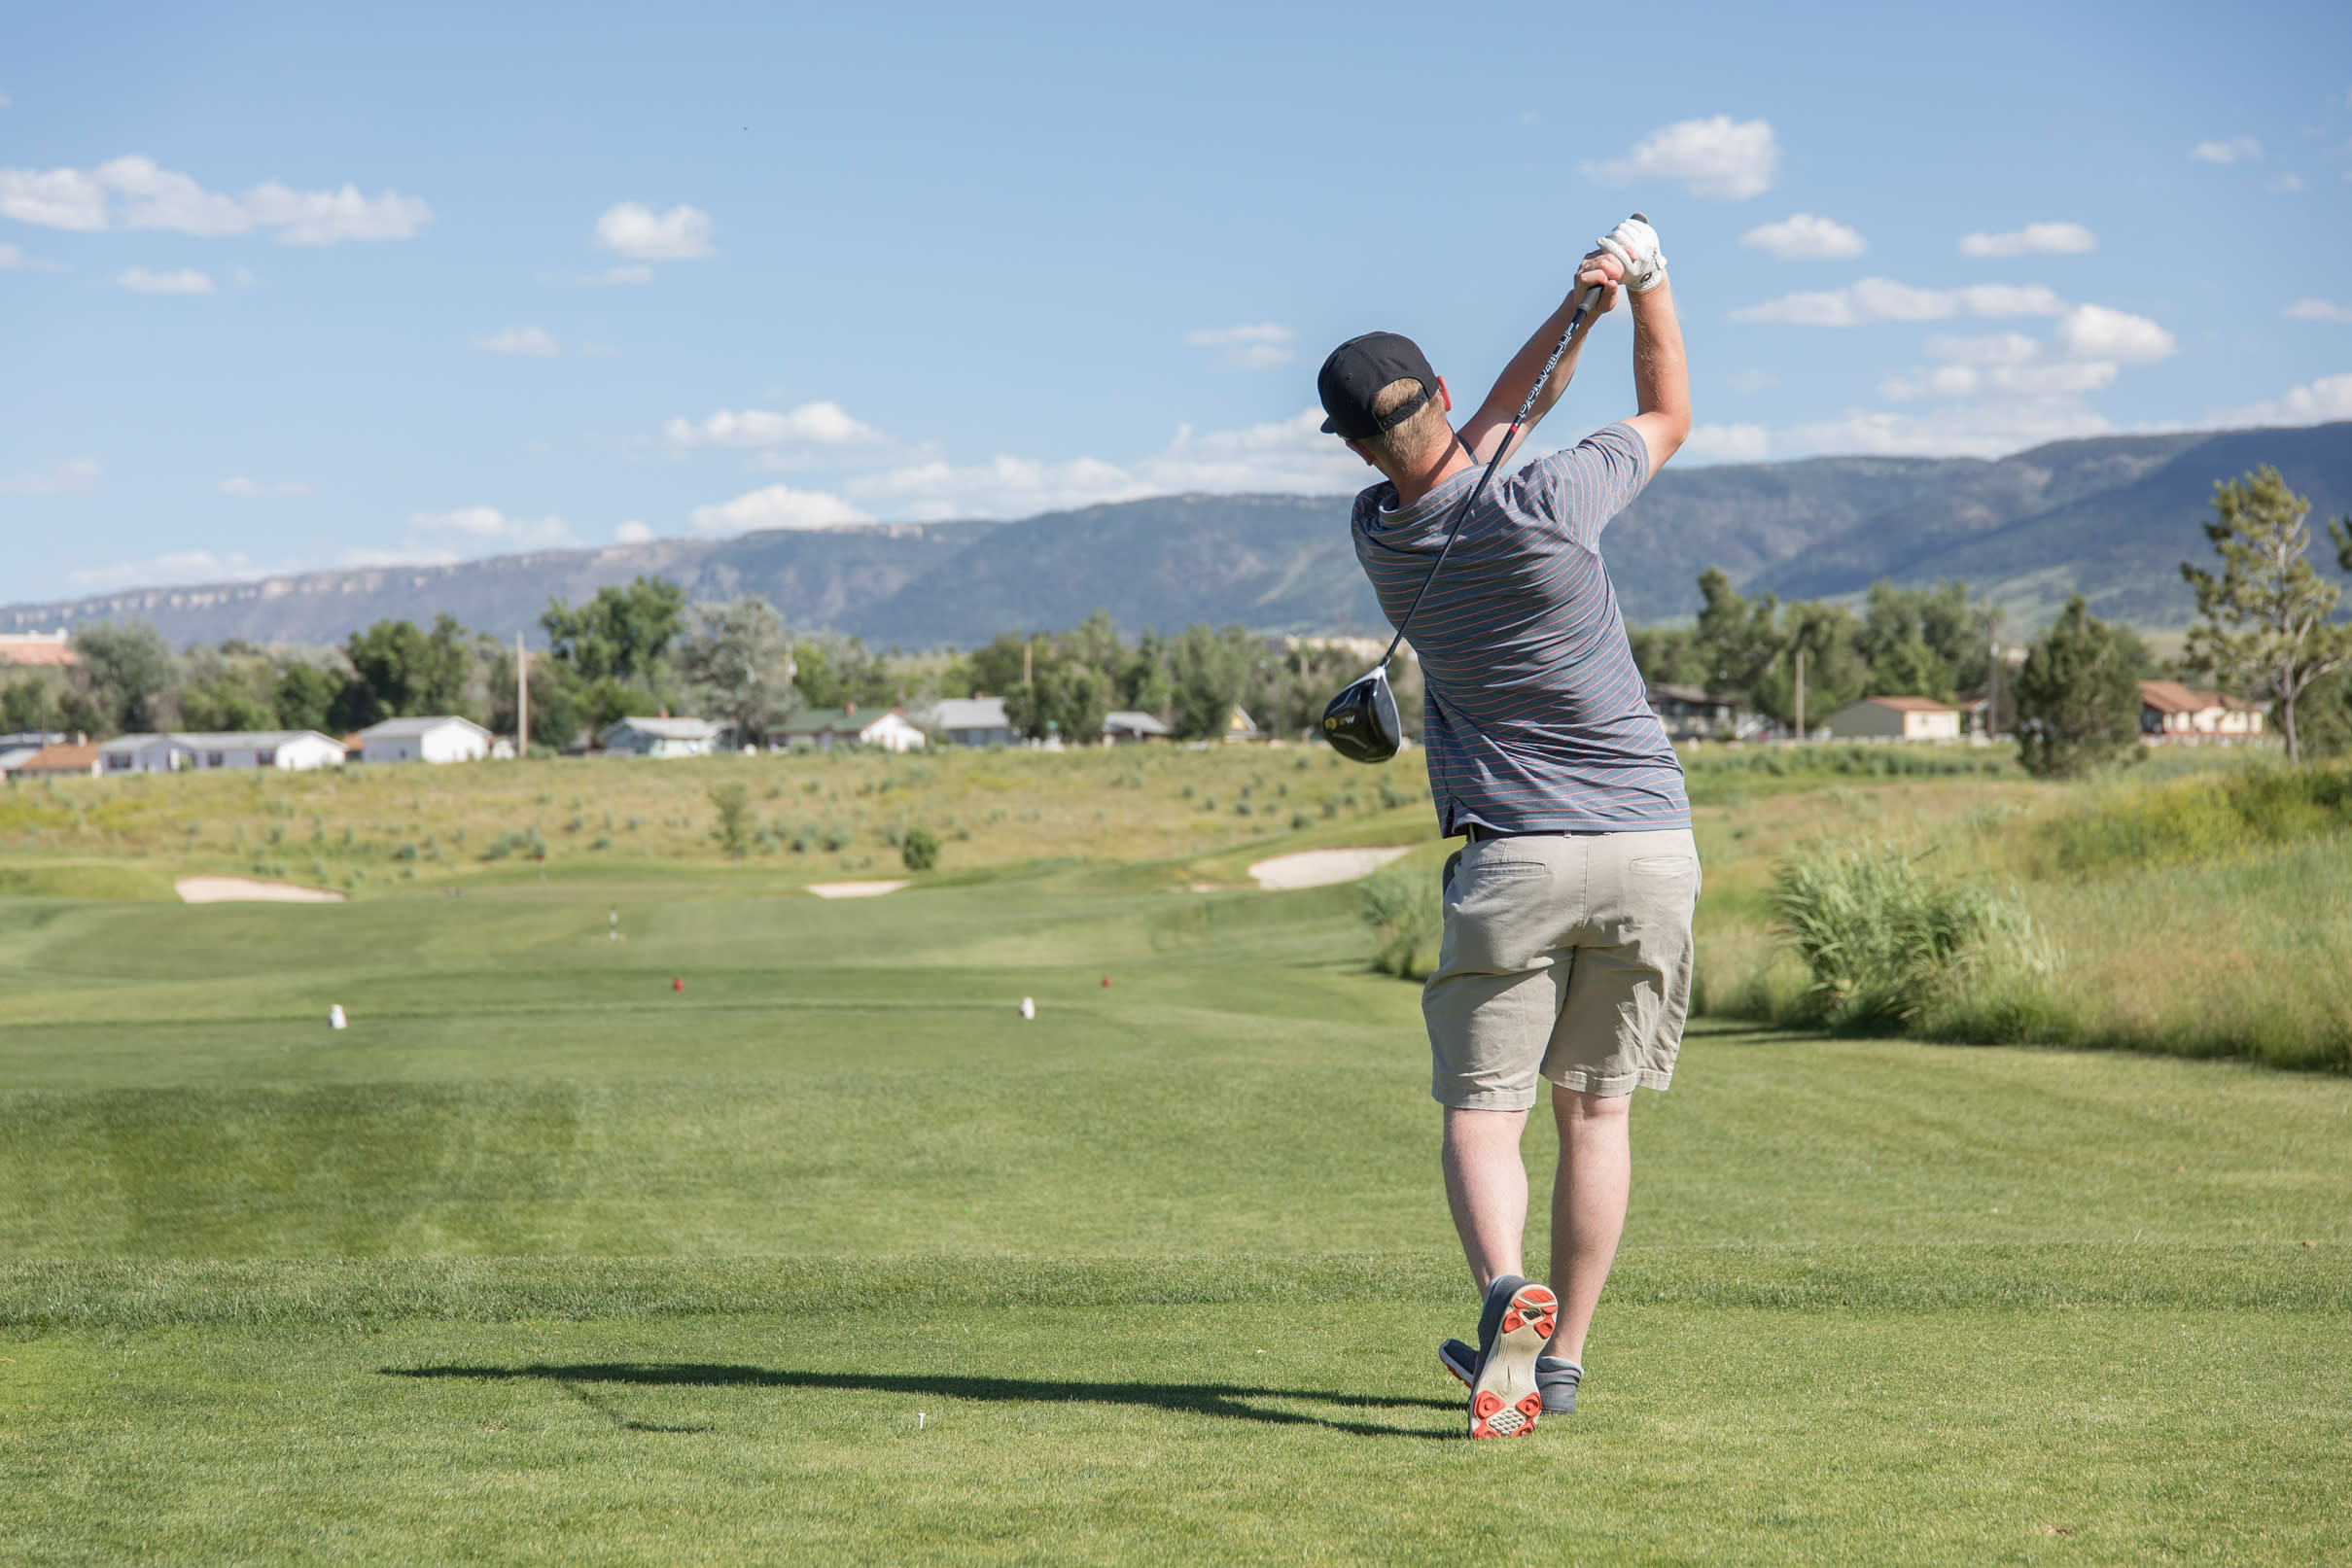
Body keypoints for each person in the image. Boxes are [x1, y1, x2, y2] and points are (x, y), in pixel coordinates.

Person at [1316, 217, 1696, 1439]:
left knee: (1484, 1115)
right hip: (1646, 843)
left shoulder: (1384, 534)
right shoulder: (1551, 497)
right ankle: (1564, 1355)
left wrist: (1573, 311)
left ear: (1353, 442)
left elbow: (1493, 415)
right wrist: (1642, 289)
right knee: (1597, 1110)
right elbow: (1663, 412)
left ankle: (1501, 1296)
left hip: (1515, 856)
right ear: (1430, 392)